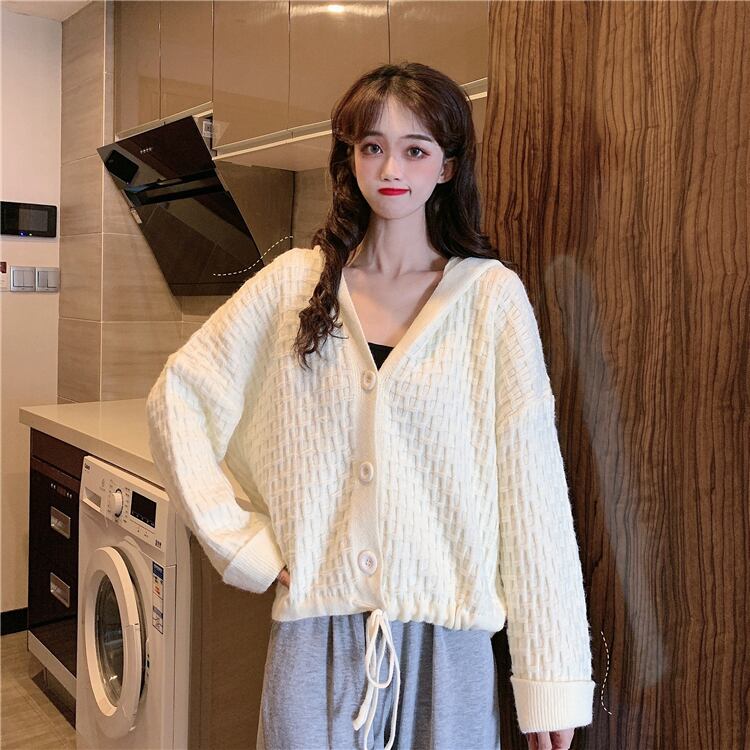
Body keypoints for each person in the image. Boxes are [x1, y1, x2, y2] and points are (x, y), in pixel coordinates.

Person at [146, 62, 595, 750]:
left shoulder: (491, 300)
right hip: (314, 638)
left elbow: (533, 494)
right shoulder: (294, 285)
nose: (390, 168)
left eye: (415, 149)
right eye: (372, 146)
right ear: (350, 158)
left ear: (447, 165)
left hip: (448, 648)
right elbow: (177, 399)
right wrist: (243, 547)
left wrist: (551, 678)